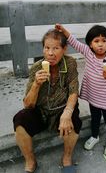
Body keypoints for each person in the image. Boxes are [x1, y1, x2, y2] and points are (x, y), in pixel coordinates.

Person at [13, 29, 82, 173]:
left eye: (56, 48)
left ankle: (67, 158)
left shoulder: (70, 64)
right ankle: (30, 161)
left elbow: (73, 91)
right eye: (47, 48)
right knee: (19, 120)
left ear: (64, 49)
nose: (50, 53)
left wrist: (67, 113)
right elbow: (28, 105)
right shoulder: (37, 68)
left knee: (74, 120)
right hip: (41, 111)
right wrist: (36, 85)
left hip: (62, 108)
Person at [55, 24, 106, 156]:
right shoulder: (88, 53)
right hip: (93, 96)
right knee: (95, 118)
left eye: (104, 41)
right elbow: (73, 42)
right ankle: (95, 136)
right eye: (96, 41)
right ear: (90, 44)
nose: (100, 44)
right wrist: (63, 31)